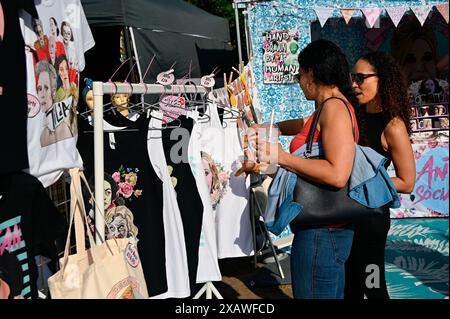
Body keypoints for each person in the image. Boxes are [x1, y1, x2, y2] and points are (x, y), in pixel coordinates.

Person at [243, 39, 360, 299]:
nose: (298, 80)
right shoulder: (327, 106)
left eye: (300, 74)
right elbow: (303, 125)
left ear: (312, 74)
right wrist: (269, 130)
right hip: (325, 230)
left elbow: (338, 174)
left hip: (323, 231)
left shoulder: (334, 108)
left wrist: (283, 158)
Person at [345, 52, 416, 299]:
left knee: (372, 283)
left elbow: (407, 182)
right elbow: (308, 123)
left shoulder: (393, 126)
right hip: (347, 212)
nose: (354, 84)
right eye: (353, 77)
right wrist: (274, 128)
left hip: (372, 218)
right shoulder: (353, 114)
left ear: (382, 80)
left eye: (361, 78)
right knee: (349, 283)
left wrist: (361, 185)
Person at [35, 60, 72, 147]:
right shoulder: (42, 134)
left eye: (46, 88)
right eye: (39, 89)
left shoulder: (63, 130)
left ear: (53, 92)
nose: (42, 94)